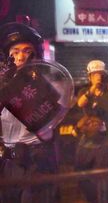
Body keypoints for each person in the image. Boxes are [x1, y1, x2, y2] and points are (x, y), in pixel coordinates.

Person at [0, 22, 59, 203]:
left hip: (36, 160)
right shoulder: (3, 82)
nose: (20, 56)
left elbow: (49, 124)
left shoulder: (45, 84)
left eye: (26, 51)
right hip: (7, 160)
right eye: (15, 51)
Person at [74, 60, 108, 203]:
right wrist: (92, 89)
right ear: (89, 77)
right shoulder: (85, 92)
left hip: (107, 140)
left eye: (101, 74)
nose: (98, 77)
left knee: (102, 178)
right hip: (88, 139)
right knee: (80, 174)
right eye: (95, 74)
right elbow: (80, 103)